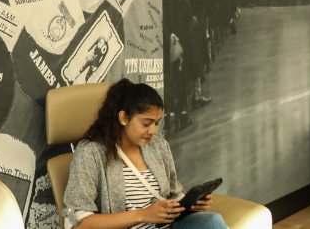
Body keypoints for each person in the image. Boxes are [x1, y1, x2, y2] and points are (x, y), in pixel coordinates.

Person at [62, 79, 228, 229]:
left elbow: (173, 194)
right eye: (146, 123)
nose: (153, 131)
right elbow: (79, 224)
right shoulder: (91, 153)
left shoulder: (159, 147)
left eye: (157, 123)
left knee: (212, 221)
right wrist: (143, 215)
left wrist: (187, 205)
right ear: (123, 117)